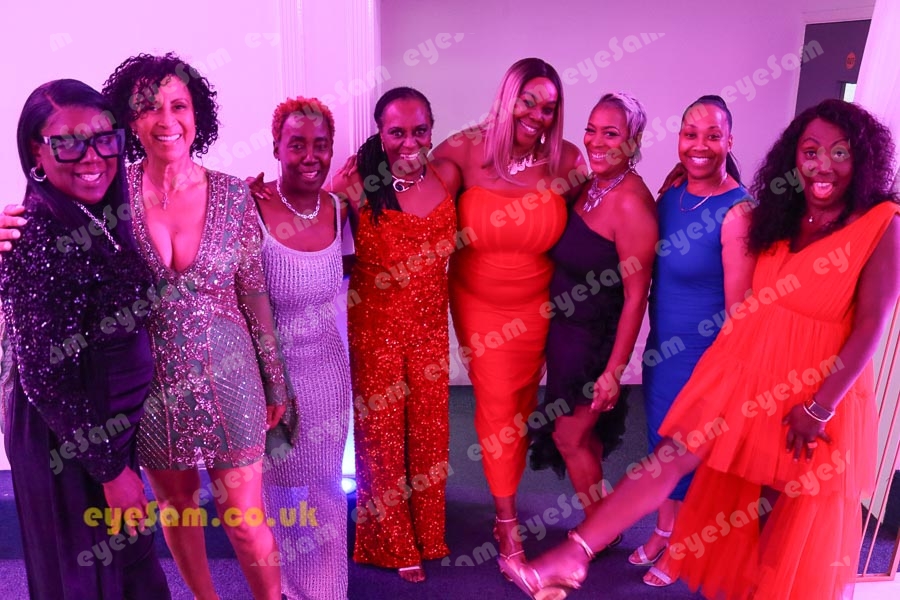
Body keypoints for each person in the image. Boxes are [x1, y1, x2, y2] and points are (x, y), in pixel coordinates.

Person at [507, 99, 900, 600]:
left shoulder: (881, 223)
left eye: (839, 153)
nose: (823, 165)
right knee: (669, 456)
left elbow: (871, 326)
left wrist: (820, 407)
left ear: (862, 158)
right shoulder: (781, 213)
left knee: (779, 518)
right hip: (746, 364)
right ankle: (575, 554)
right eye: (811, 152)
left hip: (812, 393)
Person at [102, 53, 288, 600]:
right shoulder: (111, 195)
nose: (167, 120)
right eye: (149, 107)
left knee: (244, 519)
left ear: (196, 114)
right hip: (151, 382)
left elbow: (253, 292)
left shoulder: (232, 194)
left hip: (233, 376)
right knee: (176, 508)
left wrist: (274, 379)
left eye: (179, 105)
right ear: (129, 119)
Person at [2, 79, 170, 599]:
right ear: (36, 150)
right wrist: (111, 471)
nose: (93, 156)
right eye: (69, 143)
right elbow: (45, 377)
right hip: (70, 438)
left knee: (125, 573)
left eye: (104, 139)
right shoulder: (39, 234)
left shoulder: (94, 215)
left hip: (101, 429)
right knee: (89, 580)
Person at [432, 57, 585, 575]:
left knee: (520, 408)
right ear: (507, 98)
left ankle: (511, 498)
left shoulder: (565, 160)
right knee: (498, 406)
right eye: (528, 101)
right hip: (479, 303)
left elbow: (597, 217)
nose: (537, 115)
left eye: (549, 108)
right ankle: (506, 523)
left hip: (539, 304)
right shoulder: (462, 150)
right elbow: (415, 199)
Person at [331, 87, 461, 583]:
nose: (409, 141)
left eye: (419, 130)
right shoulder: (358, 184)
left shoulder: (448, 175)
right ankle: (390, 542)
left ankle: (427, 532)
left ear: (432, 130)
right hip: (376, 327)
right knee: (381, 436)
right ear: (380, 133)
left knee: (430, 433)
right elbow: (315, 229)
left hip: (430, 328)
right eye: (397, 132)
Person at [631, 95, 756, 587]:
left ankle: (683, 548)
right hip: (661, 353)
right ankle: (664, 530)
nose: (699, 145)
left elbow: (740, 312)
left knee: (689, 456)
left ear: (729, 141)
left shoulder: (737, 212)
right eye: (690, 134)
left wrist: (723, 378)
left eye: (712, 135)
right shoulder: (671, 197)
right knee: (660, 447)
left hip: (703, 361)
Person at [529, 93, 657, 529]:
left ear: (633, 141)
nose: (596, 141)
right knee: (585, 439)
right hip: (566, 336)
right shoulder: (589, 185)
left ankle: (599, 532)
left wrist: (613, 373)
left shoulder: (631, 203)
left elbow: (637, 296)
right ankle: (602, 523)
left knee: (568, 437)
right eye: (591, 129)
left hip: (594, 344)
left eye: (611, 133)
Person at [251, 96, 352, 600]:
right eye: (297, 145)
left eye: (320, 145)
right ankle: (288, 585)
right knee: (282, 488)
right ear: (276, 148)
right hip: (272, 374)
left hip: (329, 369)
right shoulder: (251, 207)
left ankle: (328, 588)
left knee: (326, 484)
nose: (310, 156)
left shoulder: (339, 207)